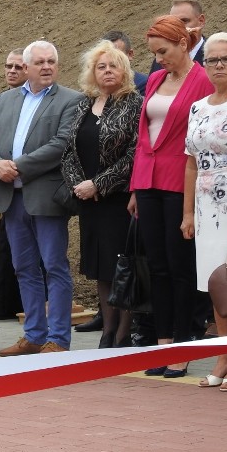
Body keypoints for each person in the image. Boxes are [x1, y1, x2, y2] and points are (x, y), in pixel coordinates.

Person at [0, 40, 84, 355]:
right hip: (12, 197)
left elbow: (62, 143)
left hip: (46, 196)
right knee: (23, 267)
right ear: (25, 67)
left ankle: (59, 339)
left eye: (52, 61)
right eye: (40, 62)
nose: (47, 66)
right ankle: (35, 335)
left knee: (54, 266)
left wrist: (18, 166)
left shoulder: (71, 99)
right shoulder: (6, 99)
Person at [129, 15, 214, 378]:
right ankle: (162, 344)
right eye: (153, 53)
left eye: (163, 51)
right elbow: (144, 135)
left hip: (182, 181)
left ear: (183, 43)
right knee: (157, 266)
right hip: (148, 181)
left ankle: (183, 343)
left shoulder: (203, 80)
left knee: (181, 268)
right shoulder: (156, 80)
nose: (158, 59)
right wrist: (135, 186)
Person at [61, 40, 143, 349]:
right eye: (101, 66)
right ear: (92, 73)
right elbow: (68, 150)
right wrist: (78, 185)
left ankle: (123, 333)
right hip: (89, 202)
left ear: (125, 70)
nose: (107, 71)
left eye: (113, 65)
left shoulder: (134, 103)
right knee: (99, 267)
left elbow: (135, 155)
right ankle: (107, 331)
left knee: (120, 265)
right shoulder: (84, 103)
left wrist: (99, 183)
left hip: (118, 200)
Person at [181, 32, 227, 390]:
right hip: (206, 207)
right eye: (212, 60)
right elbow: (191, 163)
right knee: (219, 285)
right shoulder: (198, 107)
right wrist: (188, 213)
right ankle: (223, 354)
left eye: (226, 59)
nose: (218, 65)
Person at [0, 49, 27, 321]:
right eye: (8, 66)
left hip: (29, 186)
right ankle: (3, 303)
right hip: (1, 184)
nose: (12, 71)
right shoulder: (0, 101)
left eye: (18, 66)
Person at [149, 0, 207, 73]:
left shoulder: (215, 57)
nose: (178, 27)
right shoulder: (159, 63)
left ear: (201, 21)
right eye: (173, 23)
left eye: (184, 21)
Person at [103, 30, 148, 95]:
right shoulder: (94, 88)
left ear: (130, 54)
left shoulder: (144, 84)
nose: (111, 60)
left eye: (117, 55)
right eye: (105, 56)